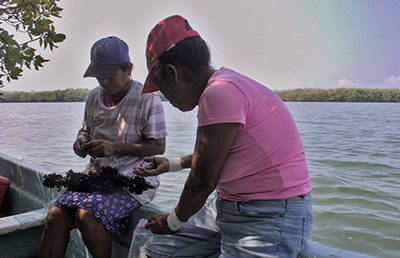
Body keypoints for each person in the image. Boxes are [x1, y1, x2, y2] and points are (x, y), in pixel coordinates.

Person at [133, 15, 313, 258]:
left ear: (171, 72)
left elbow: (202, 181)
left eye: (162, 90)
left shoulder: (219, 93)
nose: (167, 99)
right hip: (225, 207)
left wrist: (173, 221)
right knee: (153, 251)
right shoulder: (225, 85)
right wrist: (173, 164)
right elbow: (220, 154)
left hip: (270, 214)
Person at [39, 36, 168, 258]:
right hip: (96, 178)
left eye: (109, 76)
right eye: (99, 77)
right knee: (56, 215)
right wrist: (81, 140)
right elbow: (86, 129)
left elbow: (158, 146)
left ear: (128, 68)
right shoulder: (93, 97)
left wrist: (115, 148)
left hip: (133, 182)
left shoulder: (147, 99)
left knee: (87, 215)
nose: (104, 82)